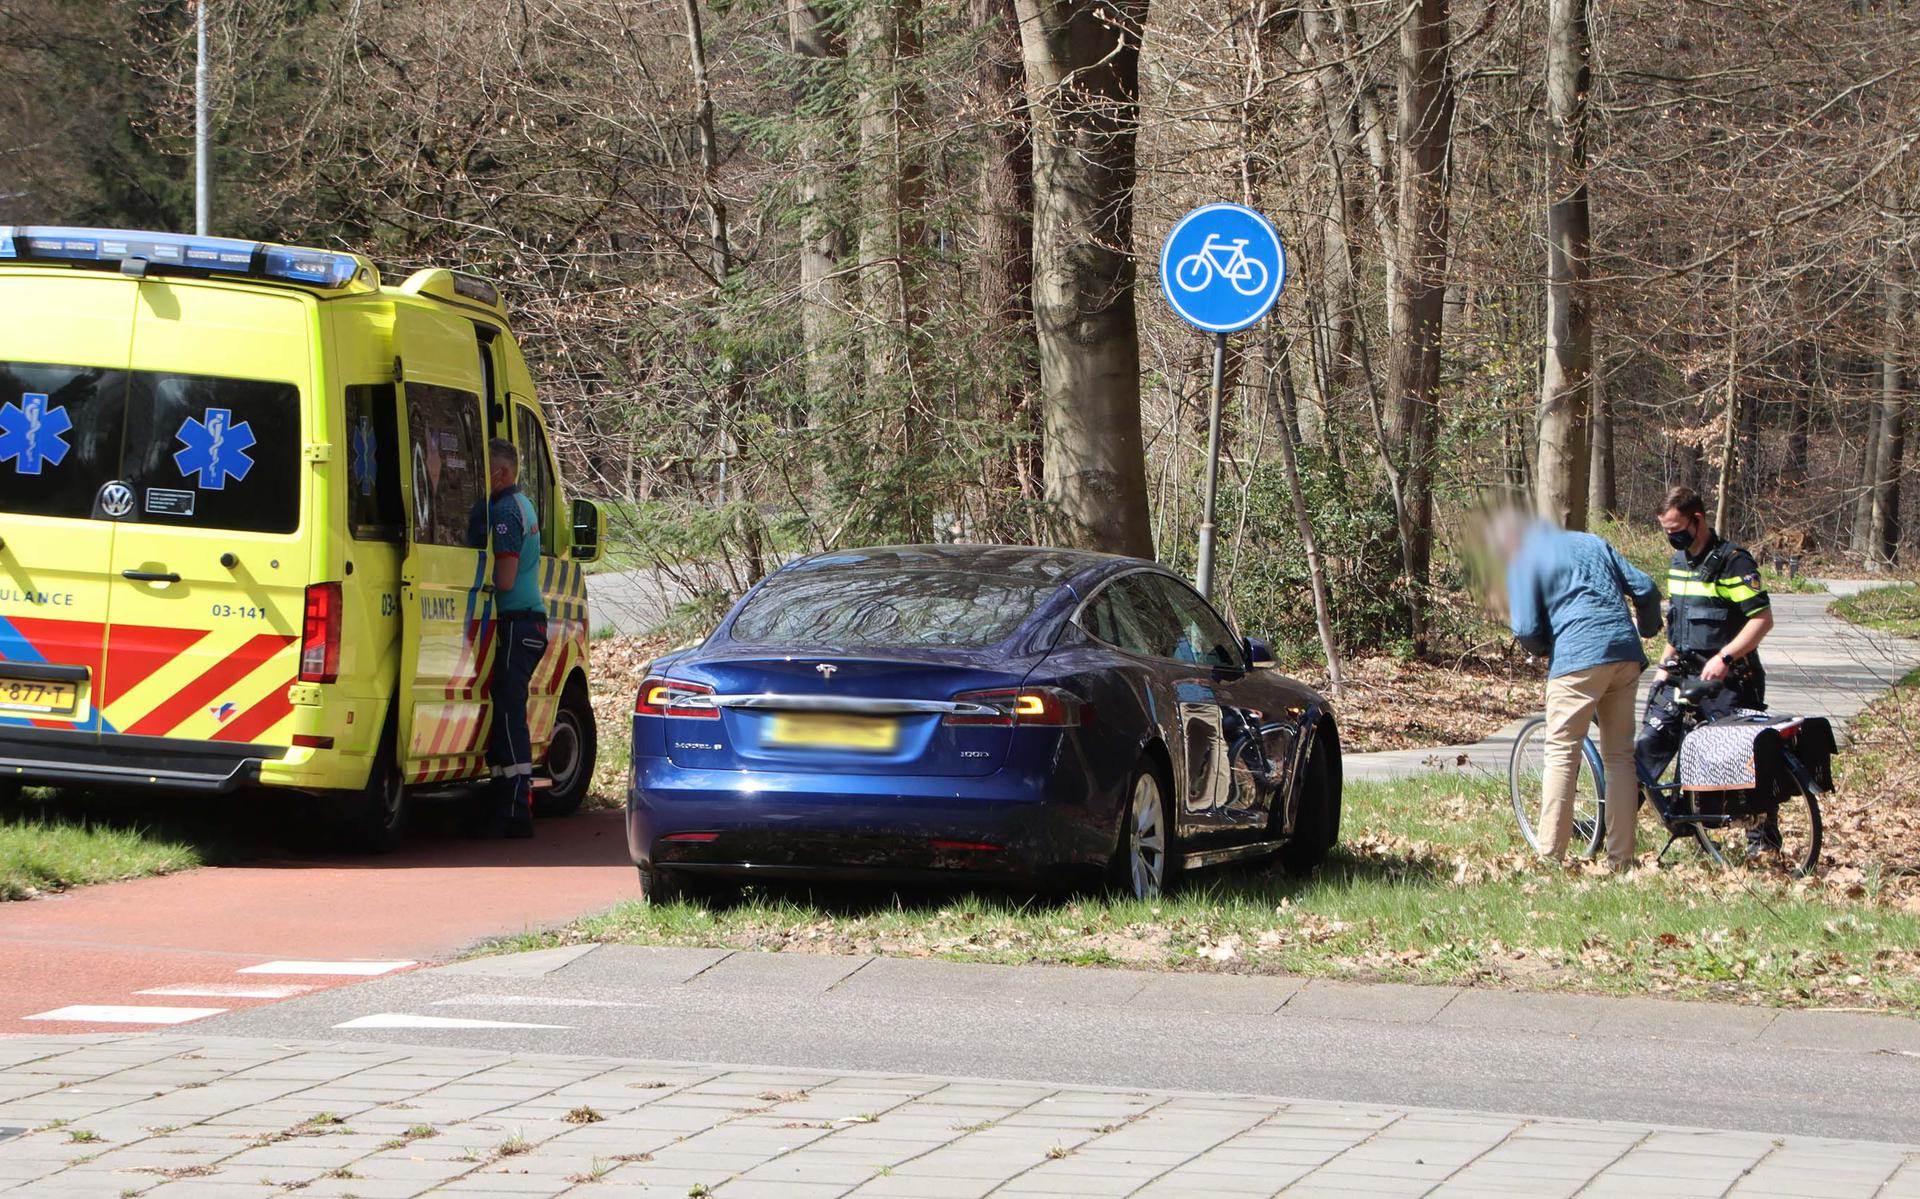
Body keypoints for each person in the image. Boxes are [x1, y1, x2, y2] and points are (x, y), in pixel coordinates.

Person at [1505, 513, 1663, 871]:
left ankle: (1550, 857)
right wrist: (1649, 628)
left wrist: (1545, 647)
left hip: (1577, 657)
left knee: (1562, 751)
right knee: (1620, 755)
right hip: (1624, 654)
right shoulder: (1593, 543)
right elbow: (1646, 588)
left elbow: (1526, 627)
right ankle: (1621, 860)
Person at [1634, 486, 1773, 786]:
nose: (1672, 537)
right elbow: (1678, 626)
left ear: (1697, 519)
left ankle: (1760, 833)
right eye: (1666, 530)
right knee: (1644, 751)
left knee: (1738, 767)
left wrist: (1725, 658)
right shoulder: (1678, 564)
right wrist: (1662, 668)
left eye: (1676, 529)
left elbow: (1761, 620)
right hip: (1682, 677)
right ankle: (1608, 825)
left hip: (1729, 681)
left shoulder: (1734, 563)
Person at [477, 438, 548, 840]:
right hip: (529, 624)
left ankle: (515, 810)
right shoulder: (524, 503)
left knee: (508, 717)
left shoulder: (504, 509)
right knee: (506, 713)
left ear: (501, 472)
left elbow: (504, 579)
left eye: (484, 469)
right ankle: (506, 802)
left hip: (516, 623)